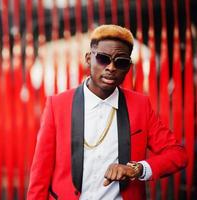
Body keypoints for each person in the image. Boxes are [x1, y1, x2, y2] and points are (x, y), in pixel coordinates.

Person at [27, 24, 187, 200]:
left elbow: (177, 154)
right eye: (103, 59)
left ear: (129, 67)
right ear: (89, 58)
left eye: (121, 62)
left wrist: (136, 169)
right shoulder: (57, 105)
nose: (111, 67)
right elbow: (39, 177)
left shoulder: (140, 105)